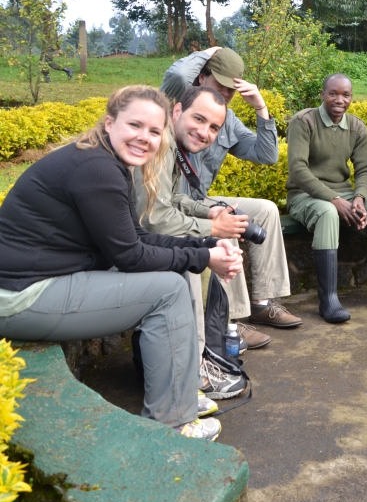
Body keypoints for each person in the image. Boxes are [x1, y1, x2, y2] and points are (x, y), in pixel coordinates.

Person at [0, 86, 243, 441]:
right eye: (135, 125)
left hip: (38, 280)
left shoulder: (103, 159)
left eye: (154, 131)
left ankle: (182, 392)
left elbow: (136, 238)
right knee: (169, 289)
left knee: (170, 274)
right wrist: (205, 257)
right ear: (110, 122)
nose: (144, 138)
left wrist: (205, 243)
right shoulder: (97, 169)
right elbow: (129, 256)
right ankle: (173, 420)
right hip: (20, 295)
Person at [134, 86, 272, 400]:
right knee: (192, 251)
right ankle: (193, 368)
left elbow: (172, 198)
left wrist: (209, 211)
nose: (205, 132)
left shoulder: (171, 145)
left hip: (126, 240)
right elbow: (152, 217)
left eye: (213, 128)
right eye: (199, 119)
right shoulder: (158, 143)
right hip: (104, 252)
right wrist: (211, 226)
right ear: (177, 111)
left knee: (204, 244)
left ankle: (211, 346)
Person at [161, 46, 301, 328]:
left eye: (231, 89)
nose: (225, 94)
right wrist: (209, 52)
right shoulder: (183, 101)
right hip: (171, 203)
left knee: (266, 210)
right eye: (220, 85)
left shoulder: (228, 121)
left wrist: (261, 108)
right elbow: (176, 72)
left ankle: (262, 304)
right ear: (202, 77)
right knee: (231, 222)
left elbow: (267, 155)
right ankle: (231, 321)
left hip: (199, 200)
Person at [286, 74, 367, 322]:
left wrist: (360, 198)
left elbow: (364, 169)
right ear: (322, 94)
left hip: (345, 193)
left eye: (346, 95)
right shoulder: (303, 122)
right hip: (305, 195)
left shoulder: (356, 126)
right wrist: (334, 199)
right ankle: (329, 300)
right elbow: (298, 171)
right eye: (333, 93)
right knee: (328, 212)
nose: (339, 100)